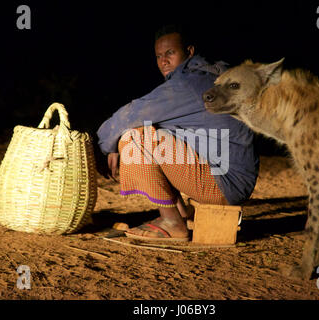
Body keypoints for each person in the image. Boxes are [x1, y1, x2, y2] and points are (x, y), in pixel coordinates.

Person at [97, 25, 259, 241]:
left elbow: (130, 114)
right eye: (159, 56)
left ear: (189, 52)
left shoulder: (189, 84)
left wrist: (104, 146)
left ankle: (172, 223)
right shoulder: (209, 76)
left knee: (135, 137)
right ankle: (181, 213)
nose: (163, 61)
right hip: (232, 177)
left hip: (225, 184)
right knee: (159, 129)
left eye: (170, 53)